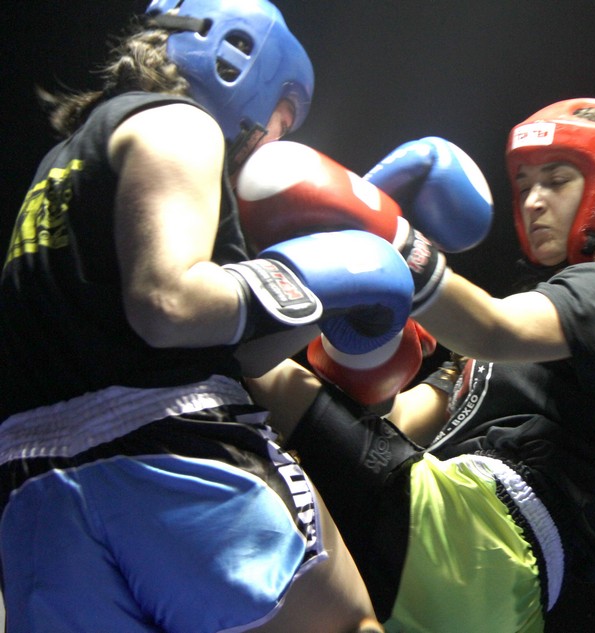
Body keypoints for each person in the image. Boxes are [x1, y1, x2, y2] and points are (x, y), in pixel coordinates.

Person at [0, 1, 411, 631]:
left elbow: (222, 350)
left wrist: (316, 307)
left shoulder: (57, 167)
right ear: (240, 63)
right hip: (171, 459)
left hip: (35, 497)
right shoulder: (180, 123)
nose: (270, 137)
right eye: (282, 115)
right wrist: (318, 274)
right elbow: (168, 305)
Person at [247, 98, 595, 632]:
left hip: (478, 534)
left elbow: (495, 327)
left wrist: (391, 237)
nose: (535, 201)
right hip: (491, 591)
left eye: (557, 180)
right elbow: (394, 418)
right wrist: (366, 352)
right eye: (524, 186)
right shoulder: (505, 348)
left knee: (245, 374)